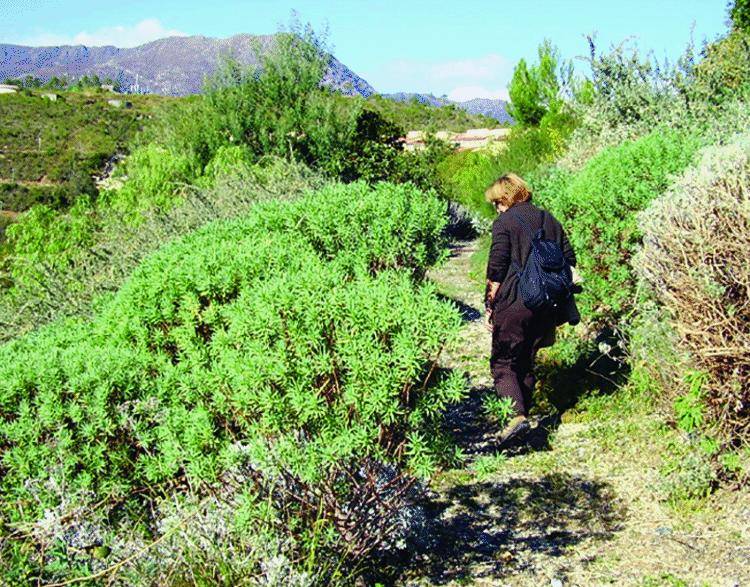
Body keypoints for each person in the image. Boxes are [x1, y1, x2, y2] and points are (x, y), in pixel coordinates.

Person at [483, 173, 579, 442]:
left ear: (505, 198)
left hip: (515, 301)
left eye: (496, 203)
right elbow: (569, 259)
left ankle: (516, 417)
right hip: (547, 304)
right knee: (526, 359)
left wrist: (490, 304)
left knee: (503, 361)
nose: (496, 209)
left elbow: (497, 268)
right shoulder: (548, 219)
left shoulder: (504, 223)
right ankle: (523, 417)